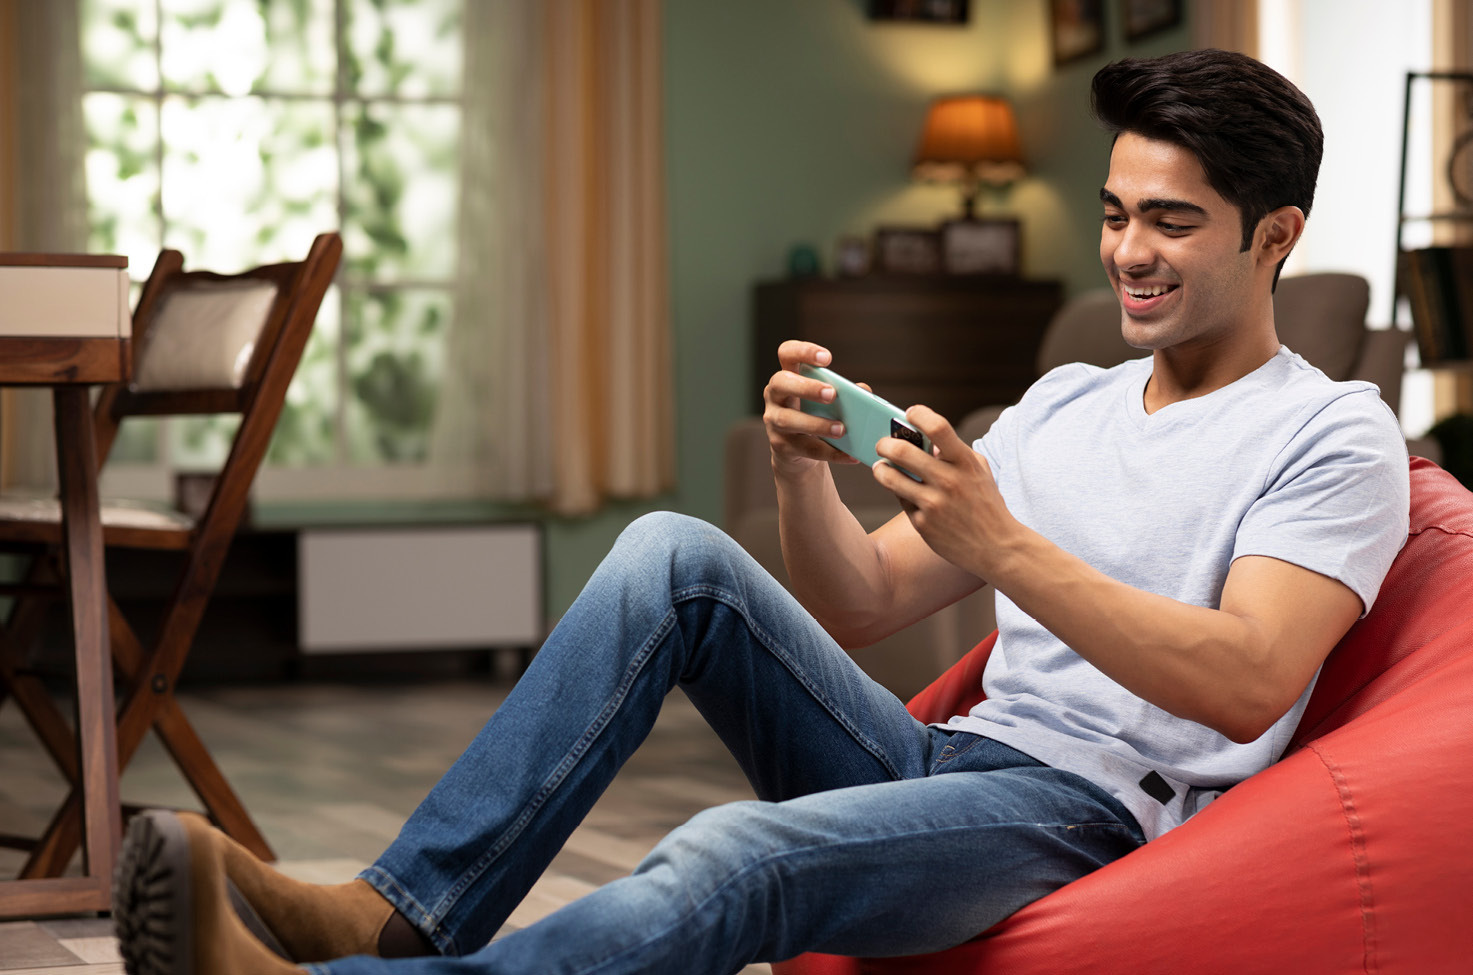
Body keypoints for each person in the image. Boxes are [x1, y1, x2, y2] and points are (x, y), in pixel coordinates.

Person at [112, 48, 1410, 975]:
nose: (1126, 253)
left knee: (729, 853)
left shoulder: (1328, 430)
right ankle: (398, 912)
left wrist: (1002, 544)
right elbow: (857, 603)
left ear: (1271, 235)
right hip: (943, 758)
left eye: (1171, 225)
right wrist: (804, 473)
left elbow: (1248, 682)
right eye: (1116, 214)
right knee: (673, 553)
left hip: (1081, 813)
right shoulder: (1065, 398)